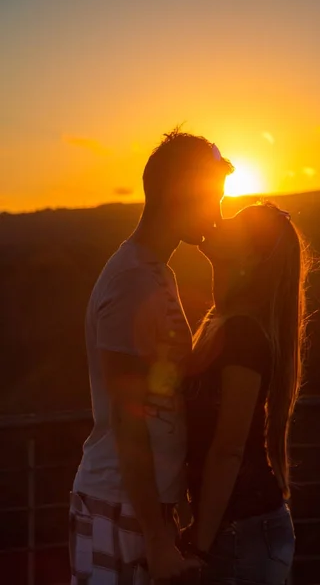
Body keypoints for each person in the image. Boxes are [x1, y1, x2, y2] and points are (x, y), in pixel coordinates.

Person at [69, 128, 234, 584]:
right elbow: (127, 418)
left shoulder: (156, 273)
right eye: (212, 199)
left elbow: (155, 384)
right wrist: (157, 540)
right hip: (118, 507)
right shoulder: (131, 281)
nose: (218, 216)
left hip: (141, 508)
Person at [182, 202, 309, 585]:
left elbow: (228, 449)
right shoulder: (222, 323)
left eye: (236, 224)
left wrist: (199, 547)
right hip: (240, 527)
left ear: (251, 258)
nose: (220, 219)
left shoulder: (243, 335)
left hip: (244, 532)